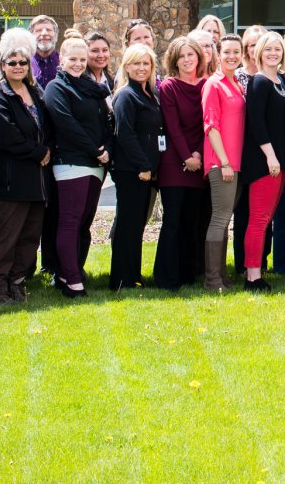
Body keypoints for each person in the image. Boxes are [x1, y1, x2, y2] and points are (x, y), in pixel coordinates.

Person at [40, 36, 110, 297]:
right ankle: (71, 281)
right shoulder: (56, 87)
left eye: (82, 59)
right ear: (62, 59)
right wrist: (95, 150)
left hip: (96, 164)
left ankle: (71, 271)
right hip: (70, 162)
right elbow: (66, 123)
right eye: (73, 59)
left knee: (84, 222)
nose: (78, 64)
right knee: (70, 222)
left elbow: (105, 122)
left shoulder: (91, 88)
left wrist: (107, 149)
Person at [0, 30, 48, 304]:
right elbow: (6, 135)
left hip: (36, 179)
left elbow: (48, 126)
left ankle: (18, 281)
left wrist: (46, 149)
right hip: (10, 179)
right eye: (12, 62)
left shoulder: (35, 91)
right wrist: (39, 152)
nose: (18, 67)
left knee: (30, 235)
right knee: (6, 235)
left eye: (23, 62)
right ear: (3, 64)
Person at [153, 37, 210, 291]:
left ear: (199, 57)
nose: (187, 60)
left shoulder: (206, 85)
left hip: (198, 160)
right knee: (173, 221)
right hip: (174, 162)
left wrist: (198, 155)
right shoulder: (169, 86)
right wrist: (187, 157)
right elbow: (172, 127)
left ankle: (187, 273)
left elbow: (207, 124)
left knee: (191, 221)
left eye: (191, 55)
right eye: (181, 56)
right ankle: (166, 277)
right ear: (174, 61)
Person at [107, 42, 164, 290]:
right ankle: (122, 279)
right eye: (136, 63)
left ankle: (133, 275)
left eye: (146, 63)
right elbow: (125, 134)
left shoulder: (149, 94)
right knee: (127, 226)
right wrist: (143, 166)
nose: (142, 68)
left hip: (146, 172)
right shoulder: (126, 95)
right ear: (126, 67)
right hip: (132, 171)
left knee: (136, 226)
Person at [240, 33, 285, 290]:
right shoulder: (259, 82)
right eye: (268, 49)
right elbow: (257, 123)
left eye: (277, 49)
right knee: (259, 220)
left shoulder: (282, 81)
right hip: (265, 163)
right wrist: (270, 156)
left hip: (280, 162)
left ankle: (256, 271)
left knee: (267, 218)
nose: (273, 53)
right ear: (258, 53)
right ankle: (253, 277)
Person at [199, 35, 249, 292]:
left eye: (236, 52)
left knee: (225, 217)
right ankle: (212, 279)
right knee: (219, 218)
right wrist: (225, 162)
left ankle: (222, 275)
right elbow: (211, 126)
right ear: (218, 54)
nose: (232, 56)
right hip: (222, 163)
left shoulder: (236, 83)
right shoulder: (213, 84)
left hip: (237, 162)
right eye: (227, 52)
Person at [30, 15, 62, 89]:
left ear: (56, 36)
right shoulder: (24, 63)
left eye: (49, 30)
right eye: (38, 30)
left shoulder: (64, 62)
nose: (44, 33)